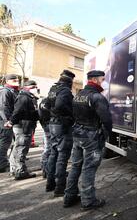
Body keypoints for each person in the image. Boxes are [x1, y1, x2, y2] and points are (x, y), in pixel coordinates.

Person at [63, 70, 112, 210]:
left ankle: (69, 197)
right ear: (96, 80)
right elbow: (106, 119)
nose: (104, 82)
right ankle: (88, 200)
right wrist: (106, 134)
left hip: (78, 133)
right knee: (89, 168)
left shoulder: (79, 95)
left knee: (75, 166)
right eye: (103, 79)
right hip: (91, 136)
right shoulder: (97, 97)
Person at [45, 70, 75, 196]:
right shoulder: (65, 90)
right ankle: (60, 187)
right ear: (70, 81)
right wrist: (70, 115)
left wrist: (53, 114)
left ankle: (50, 183)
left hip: (52, 124)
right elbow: (60, 105)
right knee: (62, 157)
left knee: (53, 153)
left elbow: (46, 105)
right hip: (62, 125)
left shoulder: (53, 88)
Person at [7, 80, 39, 180]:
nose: (36, 89)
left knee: (17, 147)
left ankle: (14, 169)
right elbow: (18, 111)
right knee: (21, 148)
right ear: (28, 87)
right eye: (35, 87)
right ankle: (20, 171)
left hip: (24, 125)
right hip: (23, 126)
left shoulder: (28, 97)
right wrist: (11, 122)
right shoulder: (24, 97)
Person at [0, 74, 20, 173]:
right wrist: (7, 121)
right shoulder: (5, 91)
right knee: (5, 143)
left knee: (9, 142)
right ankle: (1, 165)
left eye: (17, 79)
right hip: (5, 122)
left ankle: (5, 162)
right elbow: (3, 107)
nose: (16, 80)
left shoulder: (14, 91)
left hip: (11, 121)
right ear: (7, 81)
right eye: (13, 79)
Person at [39, 97, 51, 178]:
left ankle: (45, 169)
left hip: (45, 126)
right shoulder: (50, 102)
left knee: (46, 148)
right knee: (48, 149)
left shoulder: (43, 102)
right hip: (50, 126)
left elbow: (40, 115)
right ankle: (47, 170)